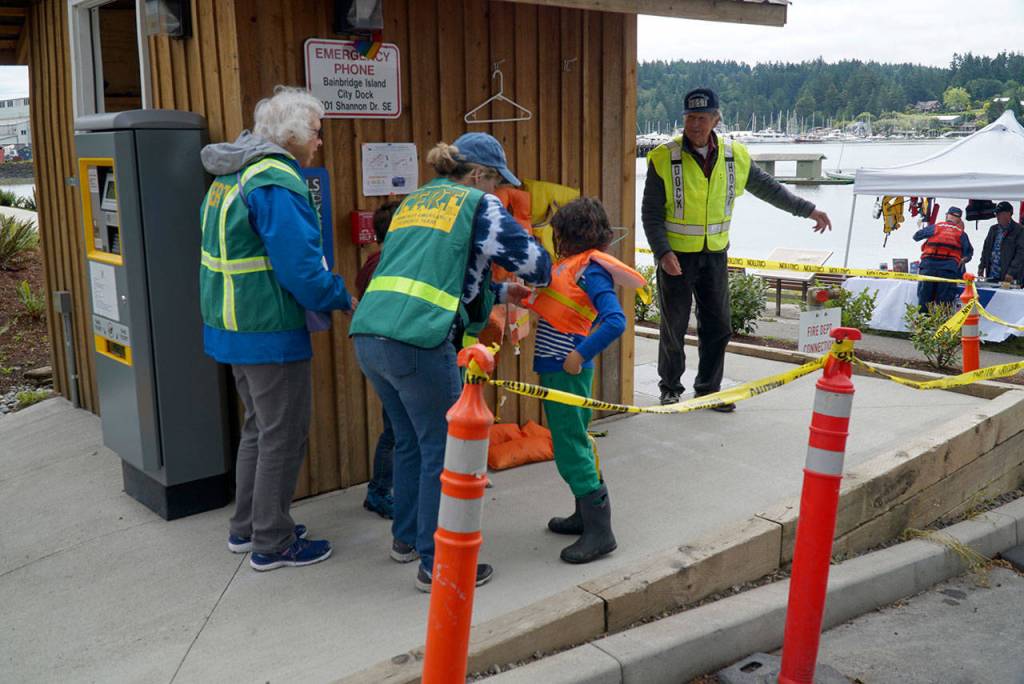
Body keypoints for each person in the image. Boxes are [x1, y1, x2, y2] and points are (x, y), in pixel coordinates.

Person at [349, 133, 551, 592]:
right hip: (419, 340)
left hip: (371, 335)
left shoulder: (415, 201)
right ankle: (437, 563)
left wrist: (499, 291)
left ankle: (406, 540)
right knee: (444, 451)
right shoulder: (478, 204)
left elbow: (438, 272)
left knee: (409, 441)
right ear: (478, 175)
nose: (500, 192)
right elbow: (534, 263)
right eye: (497, 182)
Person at [199, 86, 355, 571]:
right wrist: (343, 298)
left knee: (259, 430)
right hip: (268, 328)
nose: (320, 142)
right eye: (316, 132)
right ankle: (273, 541)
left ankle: (247, 527)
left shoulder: (232, 174)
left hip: (231, 326)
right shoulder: (275, 179)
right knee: (283, 435)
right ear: (291, 135)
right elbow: (301, 269)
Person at [641, 88, 831, 410]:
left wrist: (808, 209)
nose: (695, 125)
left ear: (716, 119)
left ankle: (709, 391)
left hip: (715, 254)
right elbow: (651, 213)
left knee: (718, 326)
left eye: (702, 118)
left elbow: (770, 189)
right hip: (676, 256)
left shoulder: (735, 155)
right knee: (674, 326)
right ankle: (670, 387)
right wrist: (662, 252)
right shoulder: (663, 157)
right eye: (690, 118)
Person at [527, 197, 641, 564]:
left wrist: (579, 355)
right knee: (572, 441)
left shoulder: (590, 270)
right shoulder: (574, 267)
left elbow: (615, 320)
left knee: (570, 446)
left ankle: (600, 532)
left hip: (567, 371)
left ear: (568, 235)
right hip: (557, 369)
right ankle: (584, 516)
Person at [356, 200, 401, 520]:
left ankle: (383, 489)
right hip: (391, 354)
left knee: (396, 427)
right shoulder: (385, 265)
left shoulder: (373, 263)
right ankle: (379, 491)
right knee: (396, 430)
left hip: (381, 354)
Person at [913, 206, 973, 311]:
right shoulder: (961, 233)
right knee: (944, 305)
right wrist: (962, 260)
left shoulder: (936, 227)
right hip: (948, 271)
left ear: (947, 216)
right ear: (959, 220)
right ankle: (942, 320)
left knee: (924, 301)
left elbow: (916, 236)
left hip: (928, 268)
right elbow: (968, 254)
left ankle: (923, 320)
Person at [978, 201, 1024, 285]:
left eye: (1000, 214)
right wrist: (981, 266)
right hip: (991, 275)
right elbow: (986, 249)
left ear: (1008, 214)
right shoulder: (993, 229)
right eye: (996, 214)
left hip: (1009, 278)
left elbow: (1020, 254)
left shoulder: (1019, 230)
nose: (997, 216)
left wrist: (1011, 272)